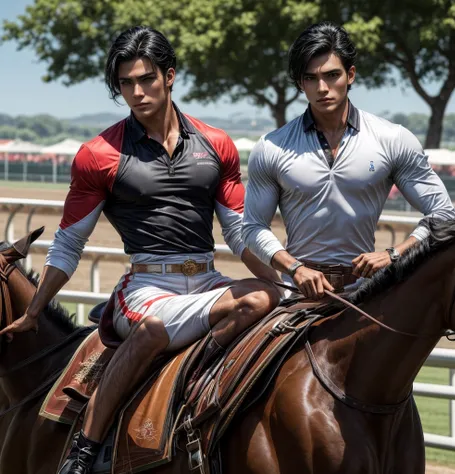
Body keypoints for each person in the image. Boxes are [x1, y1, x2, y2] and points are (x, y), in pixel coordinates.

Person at [0, 26, 280, 474]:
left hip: (206, 280)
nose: (136, 91)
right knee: (151, 328)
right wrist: (36, 309)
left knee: (266, 298)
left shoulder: (218, 144)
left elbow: (240, 235)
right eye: (125, 83)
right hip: (147, 288)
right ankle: (83, 450)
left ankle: (198, 386)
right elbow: (70, 242)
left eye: (146, 79)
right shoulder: (98, 154)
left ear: (170, 76)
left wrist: (280, 275)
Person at [242, 21, 455, 300]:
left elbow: (443, 214)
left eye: (332, 75)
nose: (322, 88)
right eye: (310, 78)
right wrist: (294, 268)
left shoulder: (393, 139)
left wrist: (394, 254)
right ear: (299, 83)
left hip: (369, 292)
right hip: (298, 293)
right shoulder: (272, 147)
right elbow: (253, 227)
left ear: (350, 74)